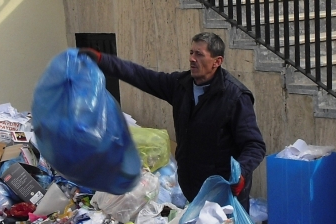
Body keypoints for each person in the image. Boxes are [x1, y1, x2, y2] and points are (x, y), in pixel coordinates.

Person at [79, 32, 266, 212]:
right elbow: (141, 75)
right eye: (191, 53)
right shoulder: (181, 85)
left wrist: (241, 172)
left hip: (224, 191)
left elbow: (254, 145)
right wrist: (104, 60)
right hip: (193, 187)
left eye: (199, 54)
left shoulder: (235, 97)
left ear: (217, 62)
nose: (192, 59)